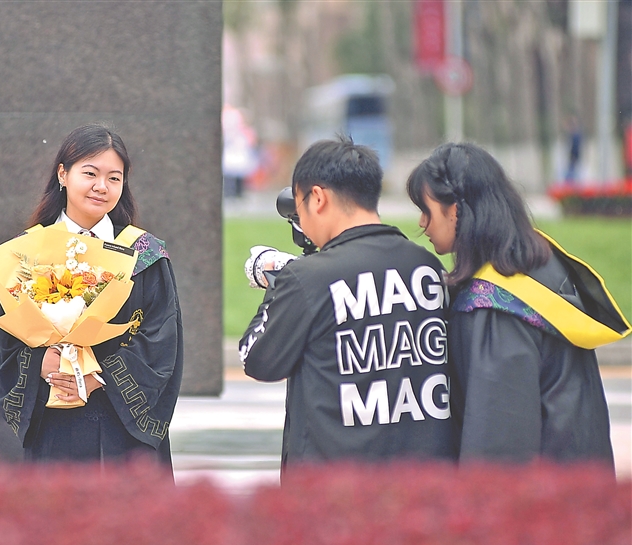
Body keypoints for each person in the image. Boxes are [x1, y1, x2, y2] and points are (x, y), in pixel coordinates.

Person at [406, 142, 630, 466]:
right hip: (578, 481)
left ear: (455, 209)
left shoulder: (497, 307)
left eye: (426, 209)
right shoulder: (540, 266)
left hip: (540, 500)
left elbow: (498, 446)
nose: (422, 223)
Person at [239, 137, 456, 469]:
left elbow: (258, 361)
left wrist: (281, 280)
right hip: (425, 481)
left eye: (299, 206)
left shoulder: (308, 279)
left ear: (318, 197)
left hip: (336, 491)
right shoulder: (427, 266)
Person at [0, 124, 183, 469]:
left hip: (125, 432)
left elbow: (162, 339)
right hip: (56, 426)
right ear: (63, 174)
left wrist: (97, 377)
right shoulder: (26, 253)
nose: (101, 187)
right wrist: (38, 365)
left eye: (114, 178)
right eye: (89, 173)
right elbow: (1, 345)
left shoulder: (144, 254)